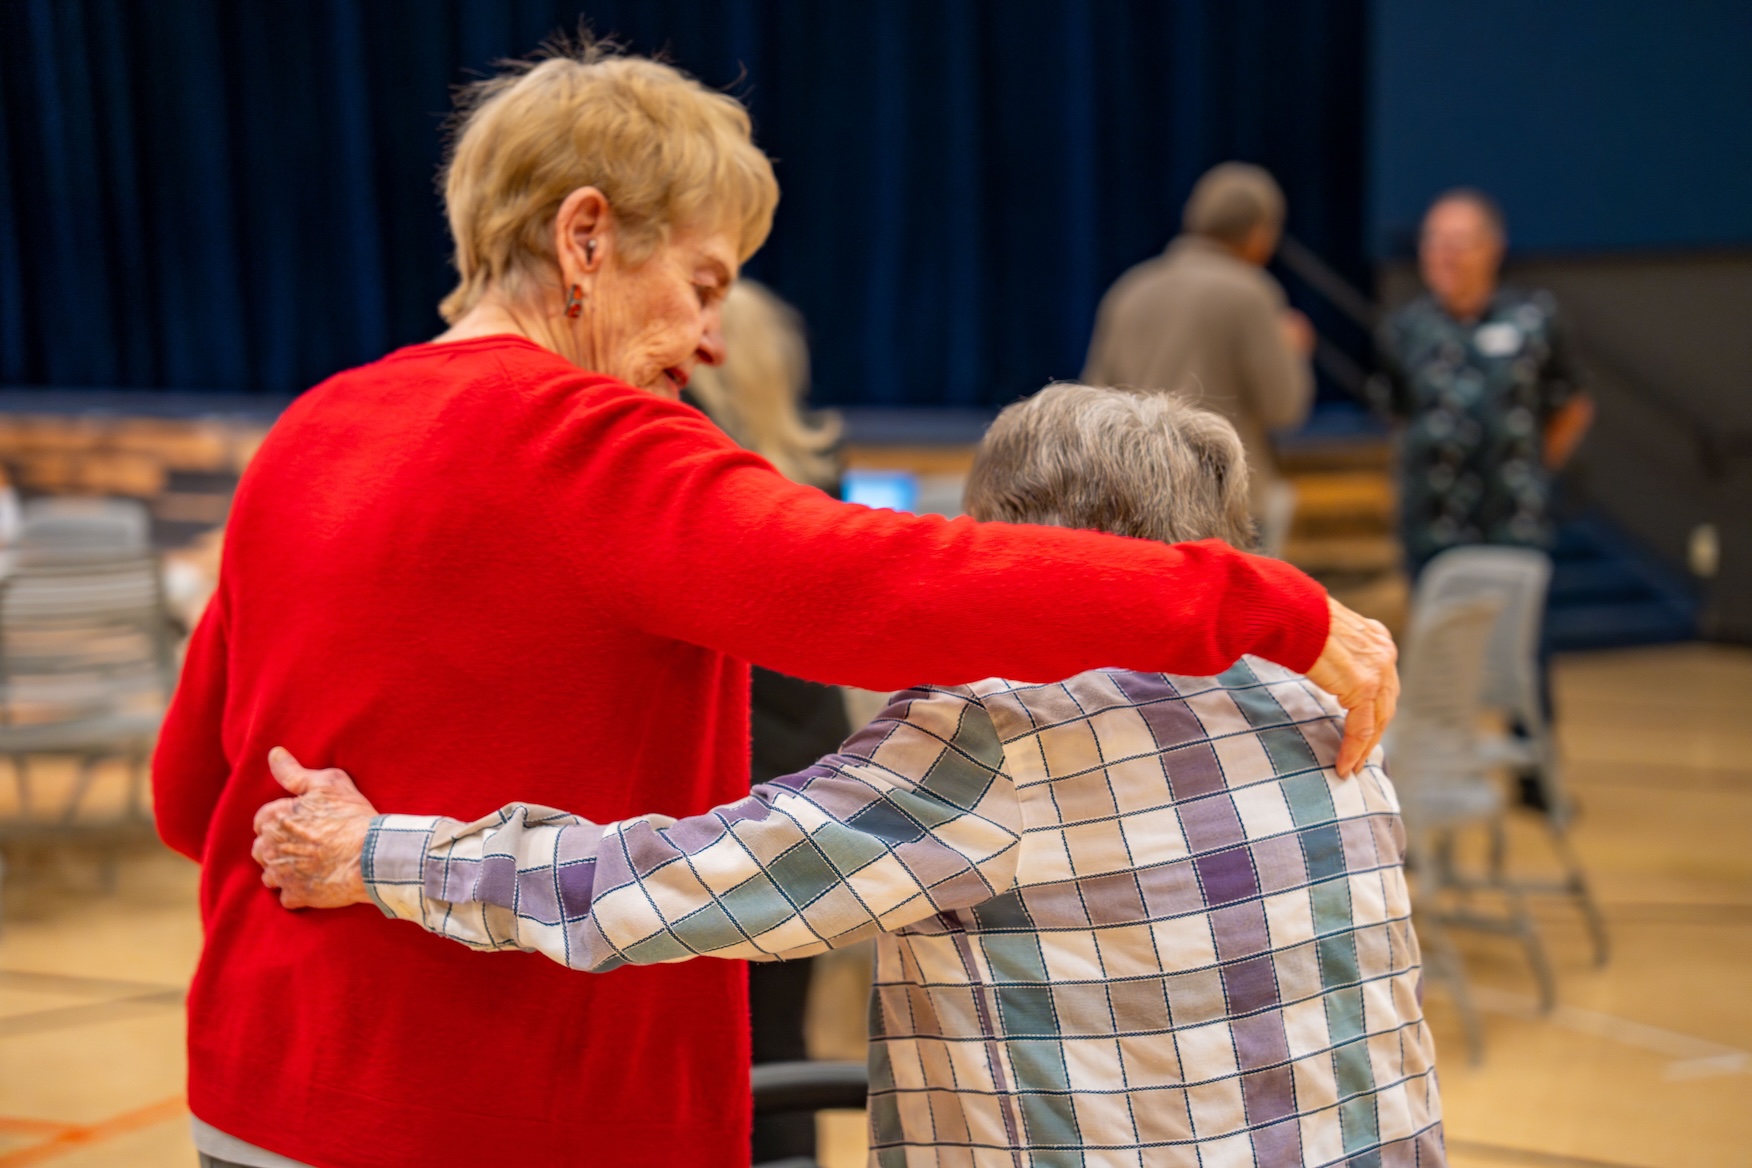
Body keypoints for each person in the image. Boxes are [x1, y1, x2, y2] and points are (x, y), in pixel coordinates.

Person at [151, 40, 1398, 1168]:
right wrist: (1259, 604)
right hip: (517, 1116)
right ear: (585, 239)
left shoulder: (304, 434)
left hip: (252, 1092)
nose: (707, 340)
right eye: (703, 284)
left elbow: (188, 801)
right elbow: (897, 585)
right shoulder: (596, 444)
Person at [253, 385, 1445, 1166]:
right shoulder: (1330, 705)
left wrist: (373, 851)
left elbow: (661, 888)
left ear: (1013, 549)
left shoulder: (999, 739)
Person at [687, 280, 849, 1163]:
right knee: (779, 1026)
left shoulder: (693, 485)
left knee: (713, 1033)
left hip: (726, 775)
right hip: (810, 767)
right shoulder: (816, 472)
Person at [1372, 188, 1594, 576]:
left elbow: (1573, 405)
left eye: (1458, 242)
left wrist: (1531, 469)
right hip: (1433, 532)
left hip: (1513, 526)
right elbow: (1396, 415)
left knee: (1516, 634)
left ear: (1492, 247)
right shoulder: (1405, 330)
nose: (1445, 255)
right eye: (1433, 241)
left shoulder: (1534, 320)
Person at [1083, 162, 1316, 515]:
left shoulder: (1129, 289)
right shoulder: (1251, 294)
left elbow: (1092, 405)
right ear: (1259, 233)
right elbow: (1283, 408)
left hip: (1134, 501)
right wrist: (1291, 350)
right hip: (1221, 505)